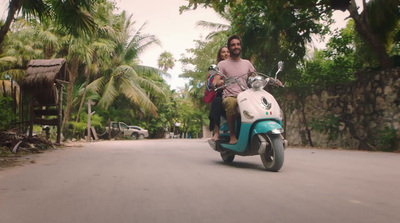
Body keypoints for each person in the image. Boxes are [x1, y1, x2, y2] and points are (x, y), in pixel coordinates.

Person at [213, 35, 256, 144]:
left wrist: (272, 81)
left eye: (238, 44)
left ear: (240, 46)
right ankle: (232, 136)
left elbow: (255, 76)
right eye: (233, 45)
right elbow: (215, 80)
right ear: (229, 47)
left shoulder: (247, 63)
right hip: (230, 96)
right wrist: (219, 82)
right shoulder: (222, 64)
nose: (236, 46)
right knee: (231, 104)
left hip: (246, 96)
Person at [208, 46, 230, 142]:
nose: (226, 54)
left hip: (239, 91)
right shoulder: (218, 68)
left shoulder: (238, 64)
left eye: (228, 52)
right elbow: (213, 82)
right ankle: (217, 132)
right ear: (220, 55)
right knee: (216, 101)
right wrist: (218, 83)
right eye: (223, 52)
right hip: (223, 92)